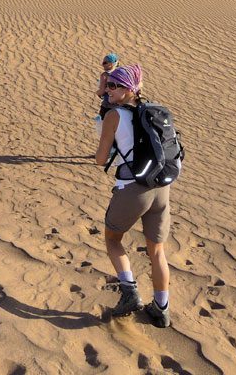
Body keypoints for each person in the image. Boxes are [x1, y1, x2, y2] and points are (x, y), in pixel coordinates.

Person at [94, 64, 172, 328]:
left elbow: (100, 159)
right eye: (108, 85)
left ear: (128, 89)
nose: (107, 90)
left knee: (113, 239)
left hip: (132, 189)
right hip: (160, 189)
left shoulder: (113, 116)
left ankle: (130, 293)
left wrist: (110, 141)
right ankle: (161, 308)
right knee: (157, 251)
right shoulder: (151, 111)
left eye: (114, 86)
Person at [96, 53, 119, 119]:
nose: (102, 64)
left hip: (107, 106)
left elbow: (102, 91)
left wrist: (97, 93)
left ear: (111, 64)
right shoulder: (120, 74)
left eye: (105, 63)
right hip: (119, 106)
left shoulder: (105, 75)